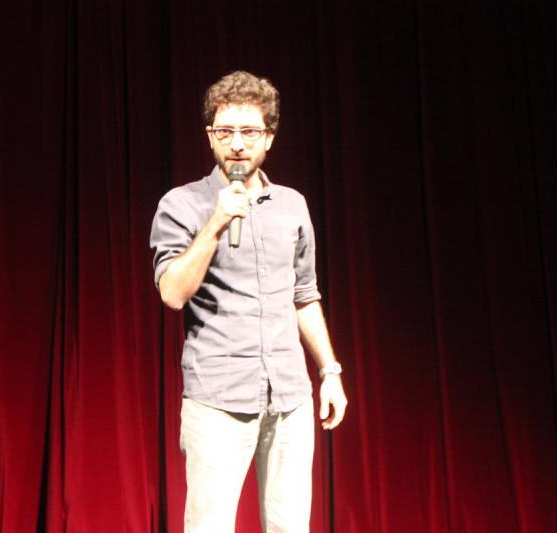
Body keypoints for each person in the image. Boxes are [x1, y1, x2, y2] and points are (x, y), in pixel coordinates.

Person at [150, 70, 347, 533]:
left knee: (289, 526)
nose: (237, 144)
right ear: (210, 136)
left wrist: (330, 372)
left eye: (249, 132)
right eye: (225, 131)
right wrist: (216, 224)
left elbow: (304, 295)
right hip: (218, 400)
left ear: (269, 138)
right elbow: (173, 293)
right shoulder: (181, 204)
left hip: (289, 399)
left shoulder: (292, 205)